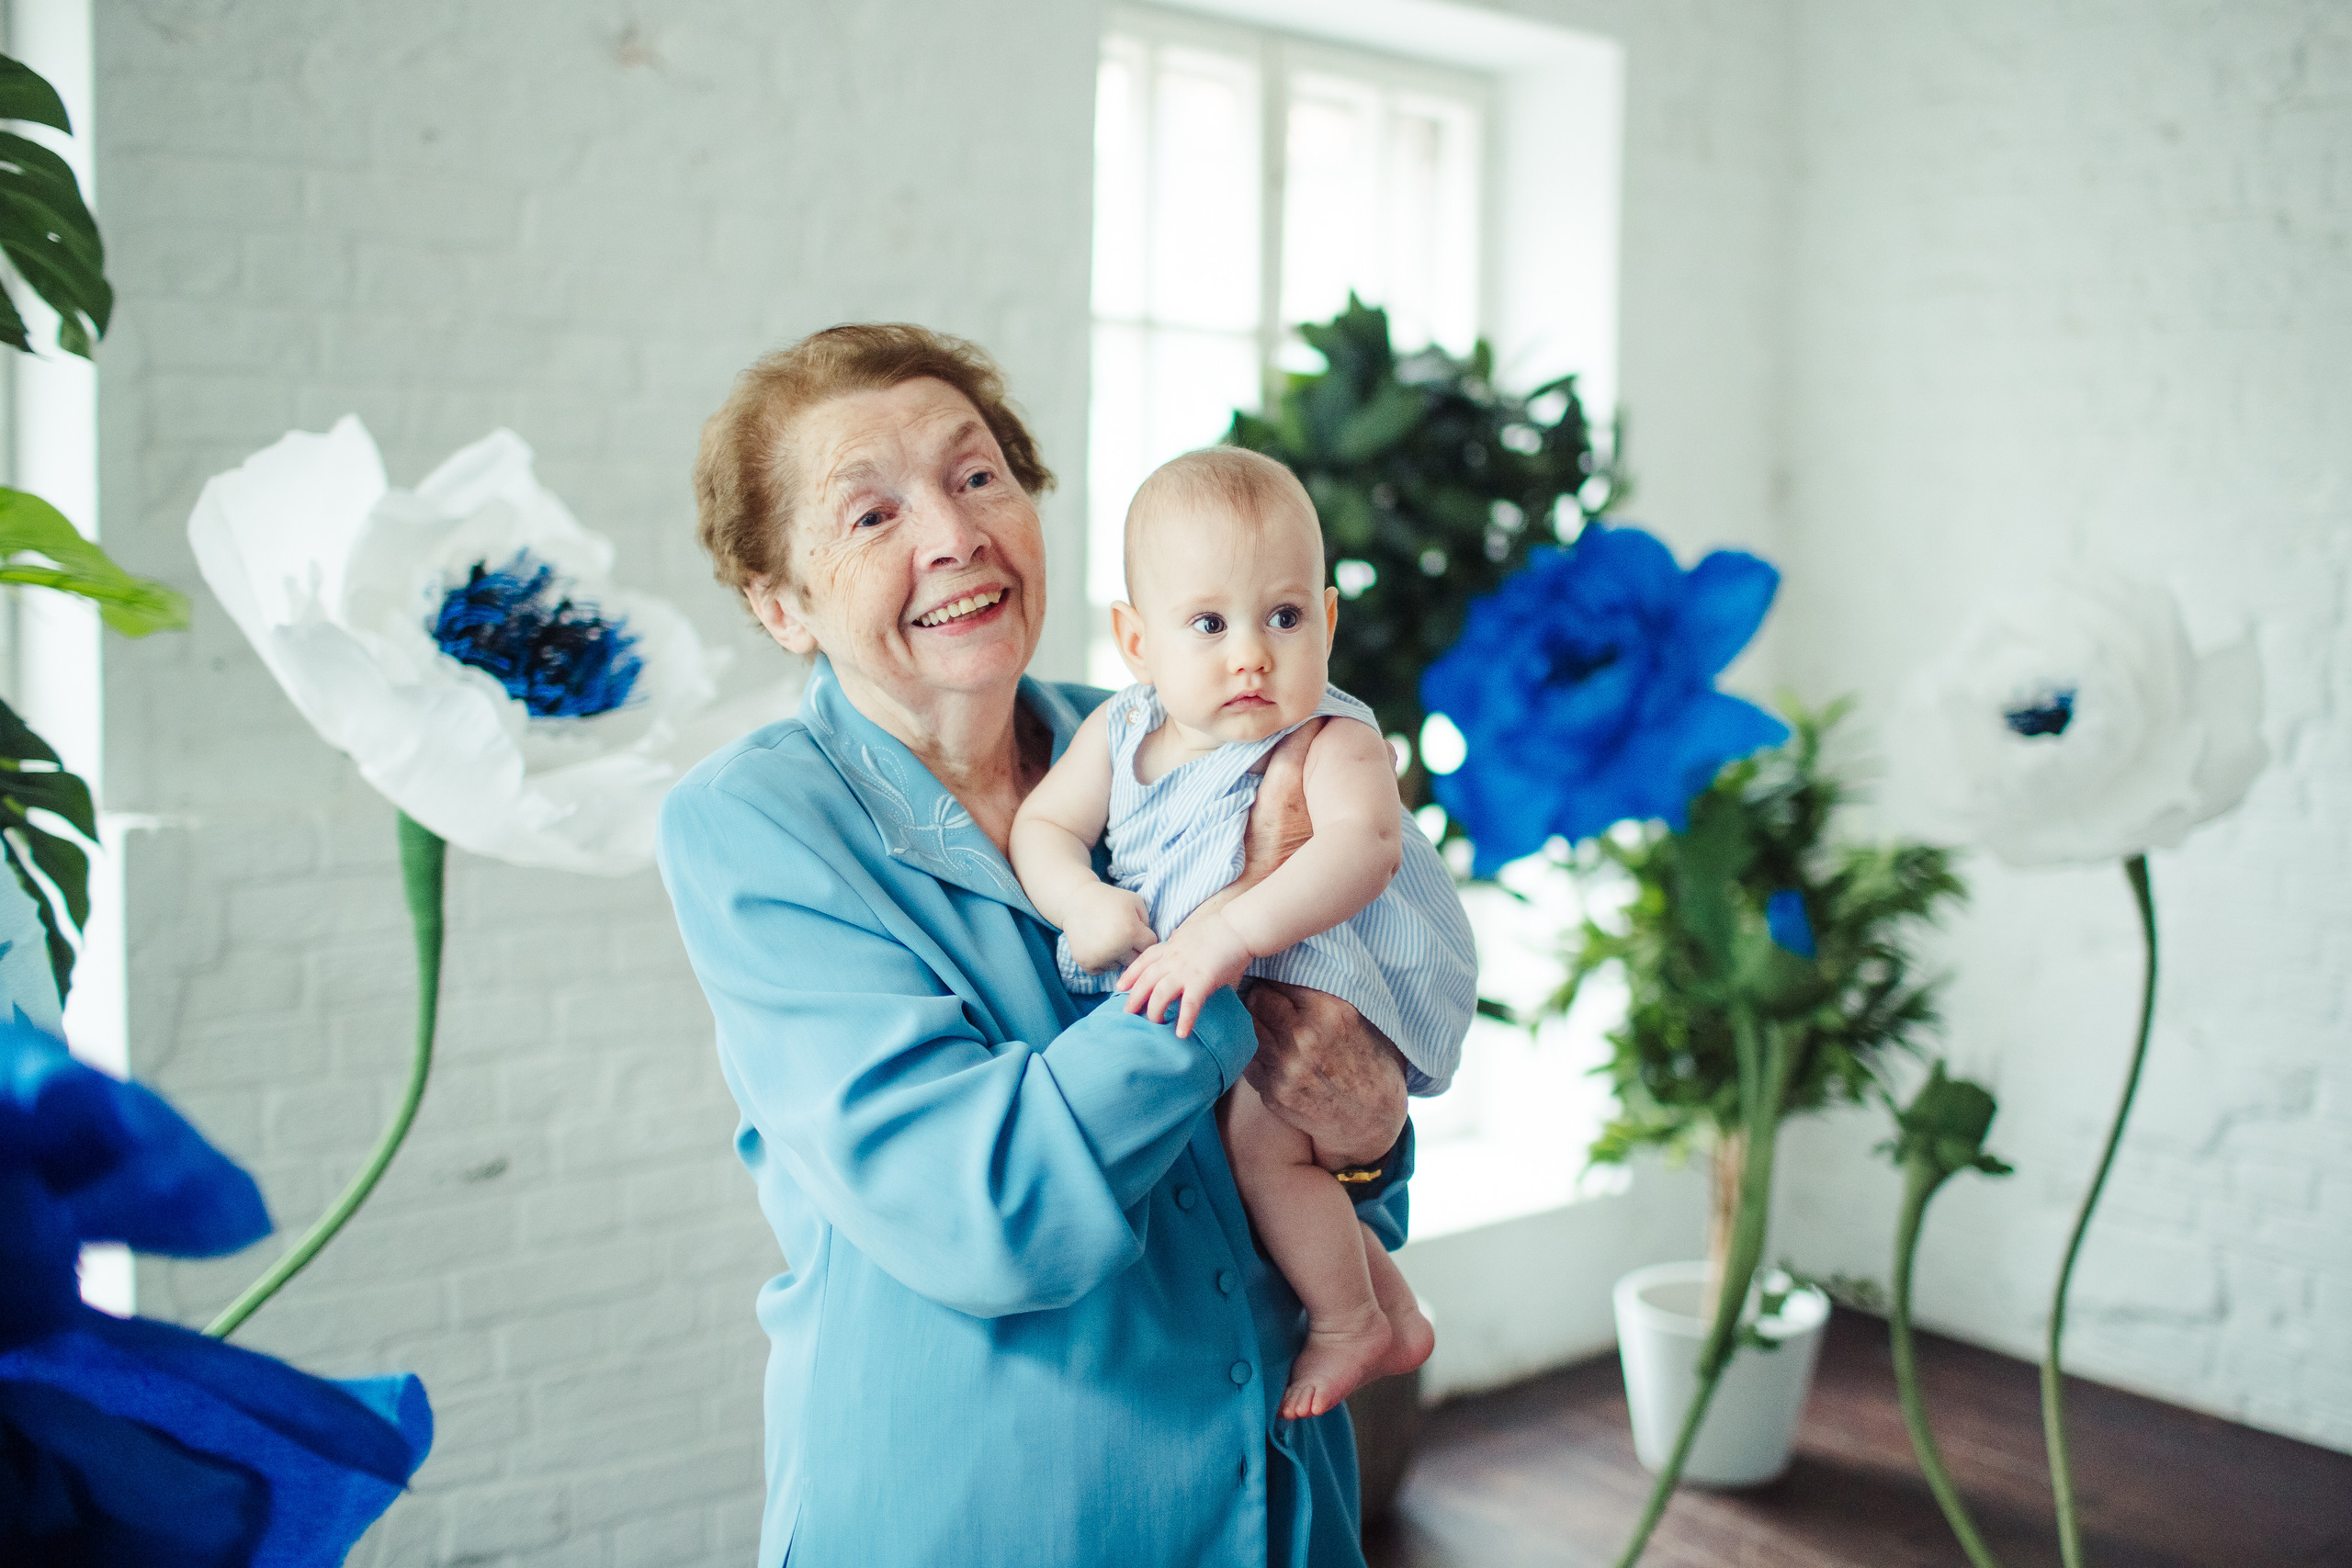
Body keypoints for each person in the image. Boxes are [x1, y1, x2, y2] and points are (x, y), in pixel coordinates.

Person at [659, 323, 1476, 1568]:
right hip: (992, 1516)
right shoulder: (759, 824)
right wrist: (1230, 944)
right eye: (873, 514)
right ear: (783, 605)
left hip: (1273, 1492)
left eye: (977, 475)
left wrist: (1365, 1135)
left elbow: (1351, 1141)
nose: (954, 534)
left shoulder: (1179, 735)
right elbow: (992, 1214)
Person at [1010, 447, 1470, 1421]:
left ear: (1328, 622)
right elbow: (1042, 827)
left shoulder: (1333, 738)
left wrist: (1232, 929)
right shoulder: (1117, 732)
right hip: (1224, 988)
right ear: (1137, 641)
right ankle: (1390, 1304)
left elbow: (1363, 848)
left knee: (1265, 1150)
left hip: (1321, 972)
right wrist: (1083, 902)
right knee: (1242, 1155)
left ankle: (1347, 1321)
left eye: (1285, 617)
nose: (1251, 654)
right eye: (1209, 624)